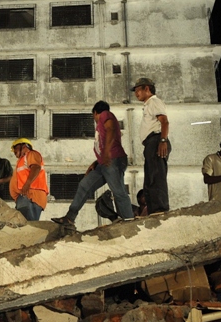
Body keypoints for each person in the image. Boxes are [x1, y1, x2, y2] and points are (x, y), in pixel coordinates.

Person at [53, 101, 134, 226]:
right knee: (84, 185)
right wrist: (96, 162)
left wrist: (106, 152)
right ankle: (70, 217)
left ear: (95, 112)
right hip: (104, 163)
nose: (95, 120)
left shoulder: (105, 115)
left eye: (93, 117)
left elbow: (111, 129)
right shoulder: (101, 124)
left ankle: (129, 221)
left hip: (113, 159)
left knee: (118, 191)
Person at [132, 77, 171, 214]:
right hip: (150, 143)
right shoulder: (148, 104)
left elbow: (164, 122)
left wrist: (162, 141)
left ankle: (160, 209)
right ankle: (153, 210)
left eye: (138, 90)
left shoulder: (154, 101)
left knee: (156, 177)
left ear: (147, 89)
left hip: (156, 140)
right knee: (150, 180)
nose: (136, 93)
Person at [9, 138, 49, 221]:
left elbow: (36, 168)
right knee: (26, 228)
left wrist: (27, 184)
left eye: (15, 148)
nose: (14, 152)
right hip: (25, 196)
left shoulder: (31, 154)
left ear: (23, 146)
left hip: (31, 196)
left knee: (29, 227)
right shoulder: (22, 160)